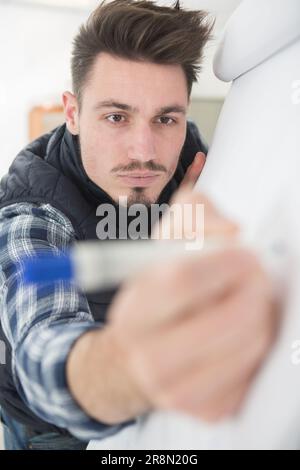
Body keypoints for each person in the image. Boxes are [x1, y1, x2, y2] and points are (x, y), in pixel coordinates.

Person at [0, 0, 275, 450]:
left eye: (166, 118)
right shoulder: (31, 209)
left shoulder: (192, 162)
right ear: (72, 113)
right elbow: (40, 345)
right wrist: (133, 366)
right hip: (53, 428)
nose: (144, 152)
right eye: (116, 117)